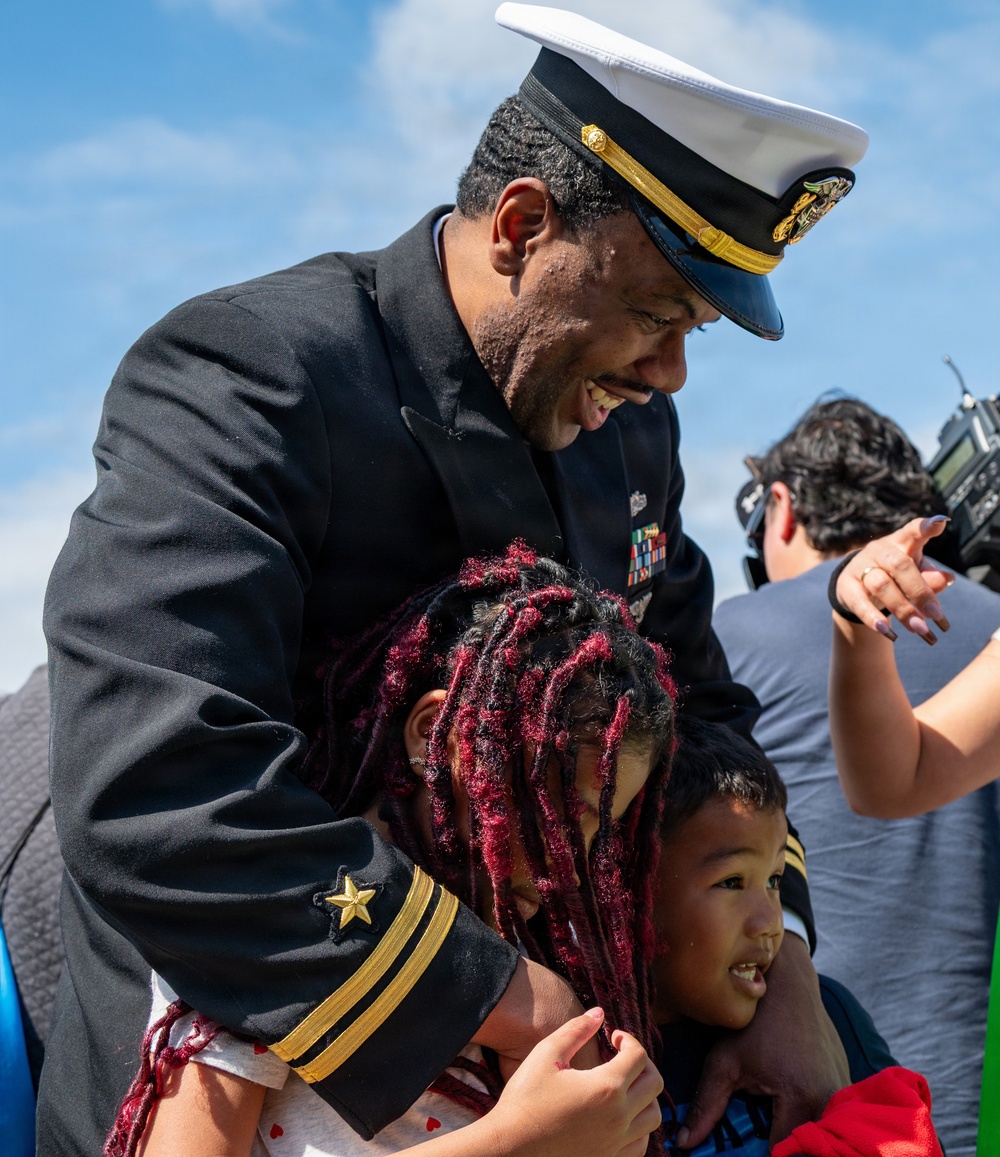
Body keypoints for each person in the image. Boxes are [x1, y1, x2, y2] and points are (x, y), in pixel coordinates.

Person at [38, 5, 867, 1152]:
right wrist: (500, 995)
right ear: (522, 226)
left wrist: (787, 967)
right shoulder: (250, 378)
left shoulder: (633, 433)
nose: (673, 371)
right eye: (654, 313)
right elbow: (160, 779)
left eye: (696, 330)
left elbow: (702, 716)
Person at [115, 546, 670, 1157]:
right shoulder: (276, 934)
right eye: (562, 813)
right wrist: (515, 1143)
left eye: (600, 835)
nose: (571, 871)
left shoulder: (532, 948)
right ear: (437, 736)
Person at [713, 397, 1000, 1155]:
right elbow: (894, 779)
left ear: (781, 509)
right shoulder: (991, 617)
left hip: (848, 1102)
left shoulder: (722, 641)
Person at [652, 716, 941, 1157]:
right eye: (732, 882)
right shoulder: (568, 1057)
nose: (770, 921)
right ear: (629, 890)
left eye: (774, 880)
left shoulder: (830, 1013)